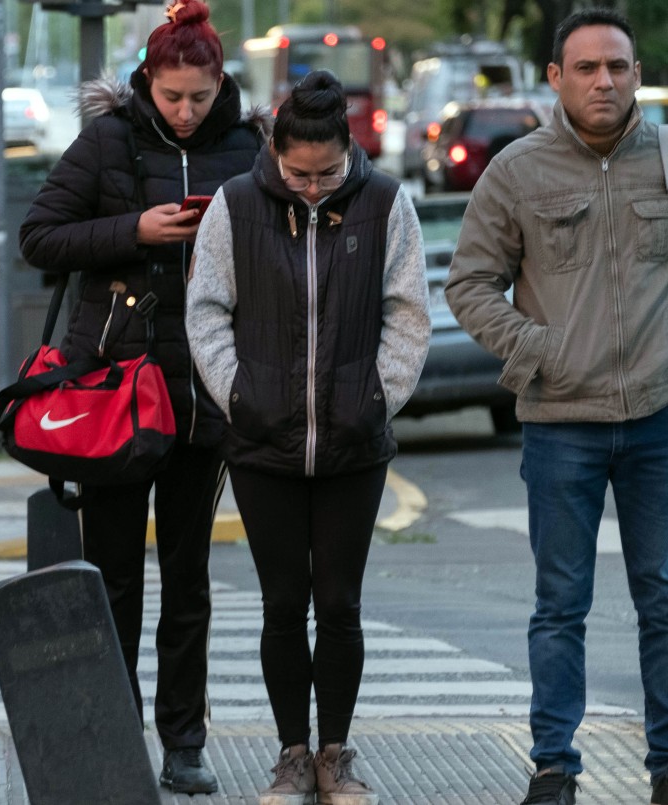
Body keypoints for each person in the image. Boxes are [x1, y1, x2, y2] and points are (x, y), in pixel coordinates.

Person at [444, 10, 668, 805]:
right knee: (559, 604)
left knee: (664, 596)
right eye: (585, 68)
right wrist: (539, 350)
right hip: (559, 426)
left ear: (637, 75)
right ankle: (554, 767)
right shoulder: (516, 172)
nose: (603, 81)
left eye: (616, 66)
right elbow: (469, 284)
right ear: (556, 77)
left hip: (661, 418)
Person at [17, 0, 267, 793]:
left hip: (204, 395)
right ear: (147, 83)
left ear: (219, 82)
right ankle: (112, 733)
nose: (186, 112)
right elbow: (40, 237)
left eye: (199, 96)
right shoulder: (108, 140)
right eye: (171, 97)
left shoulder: (249, 146)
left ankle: (183, 741)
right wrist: (135, 230)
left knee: (189, 579)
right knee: (113, 575)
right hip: (117, 394)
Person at [186, 70, 431, 805]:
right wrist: (239, 393)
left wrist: (374, 398)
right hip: (263, 442)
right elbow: (206, 310)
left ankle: (337, 755)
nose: (315, 186)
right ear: (275, 152)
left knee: (342, 603)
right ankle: (292, 754)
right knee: (282, 604)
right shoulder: (235, 206)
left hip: (354, 444)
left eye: (328, 173)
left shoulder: (386, 203)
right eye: (299, 173)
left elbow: (409, 312)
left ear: (347, 152)